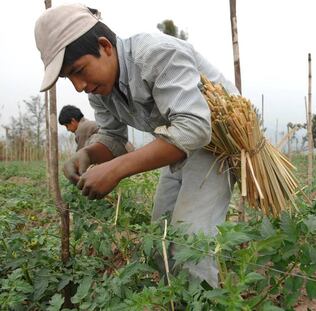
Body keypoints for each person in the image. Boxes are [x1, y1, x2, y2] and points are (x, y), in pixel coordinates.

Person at [34, 3, 239, 287]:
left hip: (216, 143)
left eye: (78, 70)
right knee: (160, 237)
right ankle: (177, 300)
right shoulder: (101, 90)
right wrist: (87, 154)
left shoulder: (155, 54)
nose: (79, 86)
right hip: (175, 145)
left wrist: (116, 170)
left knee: (189, 240)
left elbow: (194, 128)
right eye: (70, 78)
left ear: (105, 46)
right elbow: (113, 139)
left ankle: (204, 302)